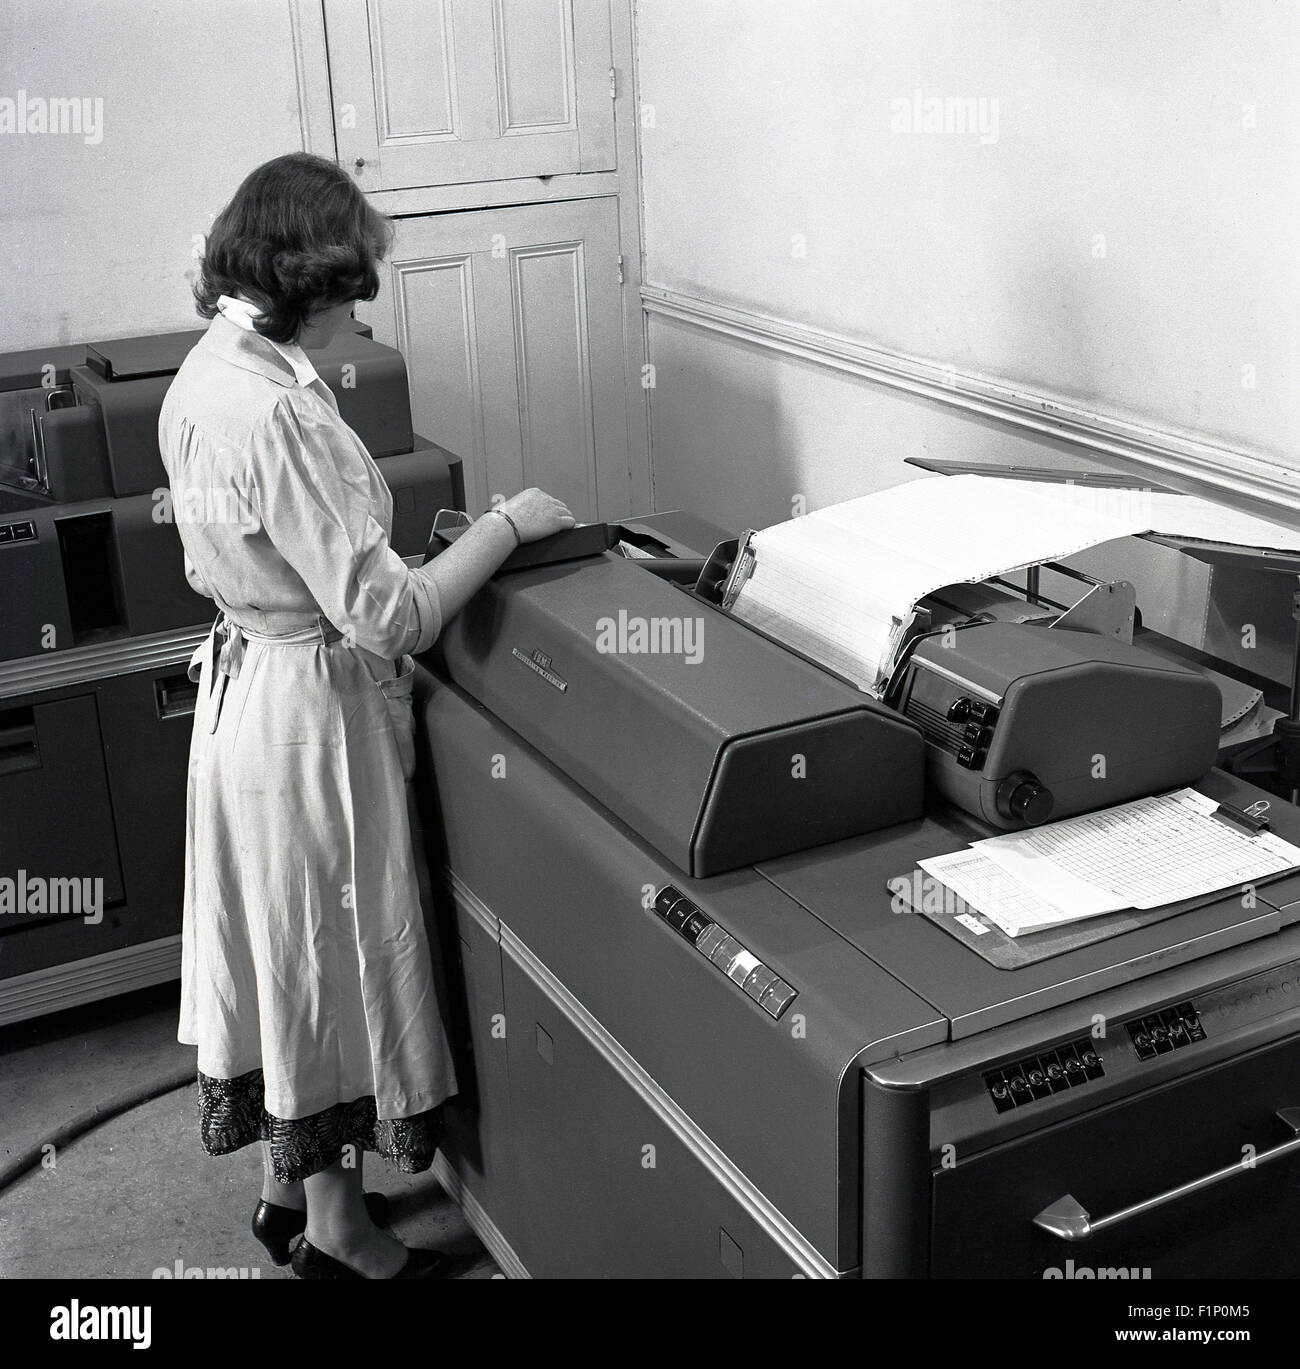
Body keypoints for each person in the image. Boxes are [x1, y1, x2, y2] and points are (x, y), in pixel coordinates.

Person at [159, 151, 574, 1279]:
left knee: (279, 949)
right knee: (332, 960)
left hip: (244, 686)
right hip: (308, 715)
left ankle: (283, 1193)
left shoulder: (207, 370)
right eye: (352, 282)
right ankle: (341, 1239)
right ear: (309, 275)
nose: (362, 308)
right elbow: (389, 615)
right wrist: (501, 526)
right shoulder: (280, 416)